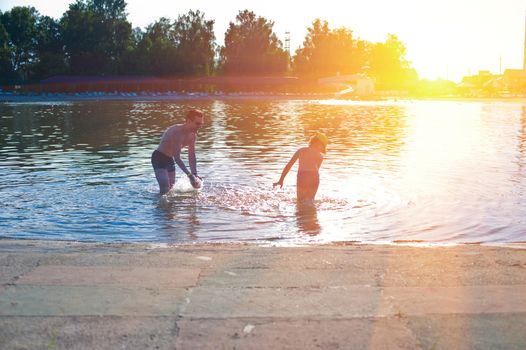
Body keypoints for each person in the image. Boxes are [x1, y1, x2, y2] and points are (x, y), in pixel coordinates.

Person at [151, 109, 204, 195]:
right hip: (159, 158)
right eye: (197, 123)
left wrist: (194, 174)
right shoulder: (176, 132)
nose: (200, 126)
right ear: (189, 121)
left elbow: (191, 156)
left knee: (171, 190)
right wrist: (190, 176)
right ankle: (160, 206)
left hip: (169, 159)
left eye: (201, 124)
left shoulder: (193, 136)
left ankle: (170, 207)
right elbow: (177, 158)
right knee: (164, 188)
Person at [273, 132, 328, 202]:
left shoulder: (301, 151)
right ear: (318, 143)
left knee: (300, 202)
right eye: (323, 146)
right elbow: (317, 171)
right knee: (310, 201)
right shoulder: (320, 156)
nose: (322, 148)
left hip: (302, 176)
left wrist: (281, 180)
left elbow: (289, 165)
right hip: (314, 177)